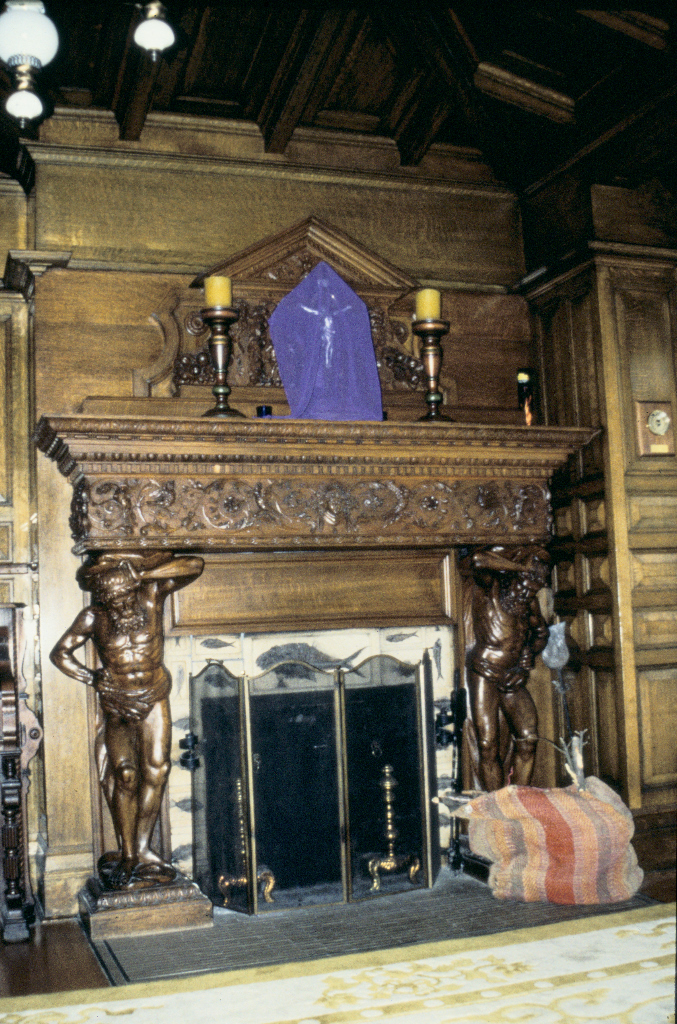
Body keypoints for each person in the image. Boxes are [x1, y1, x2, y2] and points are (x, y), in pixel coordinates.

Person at [50, 551, 203, 889]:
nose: (120, 606)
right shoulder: (94, 617)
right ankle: (128, 854)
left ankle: (143, 850)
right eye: (112, 600)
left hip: (154, 696)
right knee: (126, 775)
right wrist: (92, 678)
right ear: (103, 599)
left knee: (158, 769)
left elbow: (195, 565)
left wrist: (142, 574)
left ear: (132, 589)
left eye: (123, 597)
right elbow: (60, 653)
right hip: (118, 702)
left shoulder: (151, 597)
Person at [465, 545, 550, 791]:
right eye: (523, 585)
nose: (525, 593)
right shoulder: (490, 588)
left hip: (513, 676)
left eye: (533, 590)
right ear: (513, 577)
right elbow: (478, 559)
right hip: (485, 671)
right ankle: (496, 804)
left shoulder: (528, 604)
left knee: (528, 738)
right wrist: (522, 566)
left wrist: (526, 662)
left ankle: (519, 799)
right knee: (487, 745)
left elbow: (541, 634)